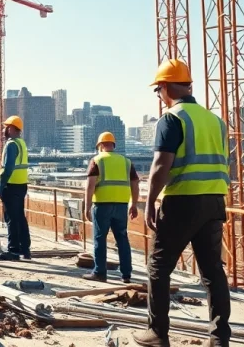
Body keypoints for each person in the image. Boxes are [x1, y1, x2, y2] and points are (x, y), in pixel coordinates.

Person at [135, 59, 231, 347]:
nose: (159, 95)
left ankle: (157, 333)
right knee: (213, 272)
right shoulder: (215, 121)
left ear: (165, 87)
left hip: (181, 201)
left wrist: (150, 201)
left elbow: (160, 165)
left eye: (158, 90)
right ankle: (219, 338)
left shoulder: (172, 118)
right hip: (214, 201)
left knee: (158, 267)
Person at [83, 132, 140, 282]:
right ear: (113, 145)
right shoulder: (126, 162)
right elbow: (135, 184)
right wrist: (134, 204)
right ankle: (126, 274)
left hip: (102, 206)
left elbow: (90, 186)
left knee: (100, 239)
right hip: (121, 206)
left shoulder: (97, 160)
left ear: (100, 145)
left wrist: (87, 207)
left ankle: (100, 273)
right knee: (122, 239)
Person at [0, 116, 31, 261]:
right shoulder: (21, 143)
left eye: (6, 127)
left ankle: (13, 250)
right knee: (20, 217)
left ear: (11, 128)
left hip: (11, 185)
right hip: (21, 185)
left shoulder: (11, 145)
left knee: (11, 218)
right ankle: (25, 249)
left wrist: (1, 186)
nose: (4, 130)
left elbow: (9, 167)